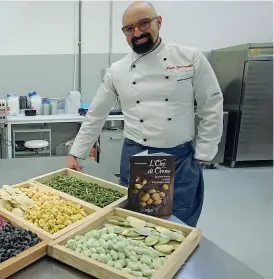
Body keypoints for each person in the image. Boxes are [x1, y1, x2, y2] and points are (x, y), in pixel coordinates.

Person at [66, 1, 223, 227]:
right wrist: (76, 153)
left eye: (143, 23)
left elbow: (212, 105)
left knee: (178, 222)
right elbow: (96, 114)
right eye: (129, 28)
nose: (137, 32)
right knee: (132, 221)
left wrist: (204, 154)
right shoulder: (117, 70)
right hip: (136, 156)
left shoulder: (190, 58)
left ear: (158, 22)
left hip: (178, 158)